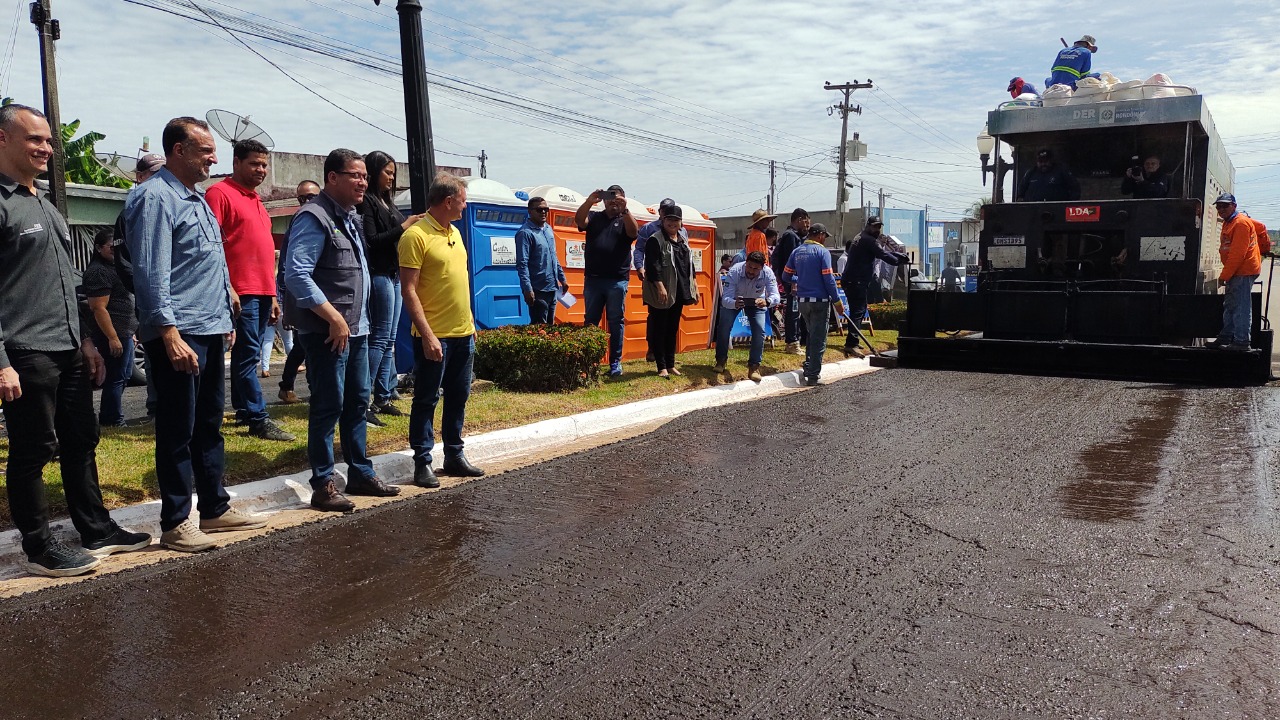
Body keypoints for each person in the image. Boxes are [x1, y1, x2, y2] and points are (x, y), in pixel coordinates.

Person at [0, 103, 151, 577]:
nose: (46, 148)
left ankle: (97, 529)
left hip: (68, 348)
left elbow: (65, 282)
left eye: (48, 140)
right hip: (26, 351)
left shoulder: (45, 203)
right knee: (34, 449)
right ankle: (39, 548)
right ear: (3, 139)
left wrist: (85, 341)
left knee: (82, 439)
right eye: (35, 139)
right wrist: (1, 362)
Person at [125, 116, 266, 553]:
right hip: (180, 331)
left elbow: (206, 259)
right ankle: (175, 522)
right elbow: (150, 272)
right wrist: (168, 333)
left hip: (210, 326)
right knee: (177, 430)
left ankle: (215, 508)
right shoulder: (154, 198)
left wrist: (227, 301)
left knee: (208, 424)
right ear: (179, 151)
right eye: (206, 151)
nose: (213, 159)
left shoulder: (197, 198)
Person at [285, 149, 400, 512]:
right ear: (332, 178)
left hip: (357, 329)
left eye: (365, 176)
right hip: (328, 333)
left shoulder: (350, 217)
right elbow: (296, 275)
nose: (363, 182)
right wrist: (333, 317)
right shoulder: (314, 217)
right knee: (328, 405)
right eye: (355, 175)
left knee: (357, 402)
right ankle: (323, 485)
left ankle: (361, 474)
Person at [399, 172, 485, 489]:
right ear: (448, 201)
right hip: (434, 336)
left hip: (463, 333)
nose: (465, 206)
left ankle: (454, 455)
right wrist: (428, 335)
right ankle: (423, 462)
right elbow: (409, 290)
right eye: (462, 201)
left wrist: (470, 322)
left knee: (458, 397)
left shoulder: (455, 233)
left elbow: (458, 281)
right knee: (426, 399)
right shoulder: (415, 236)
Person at [204, 139, 293, 442]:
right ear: (236, 163)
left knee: (248, 353)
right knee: (247, 355)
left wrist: (273, 296)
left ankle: (244, 409)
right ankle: (258, 417)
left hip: (263, 290)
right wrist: (227, 286)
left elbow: (262, 252)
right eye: (254, 163)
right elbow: (211, 245)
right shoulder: (219, 193)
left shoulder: (256, 200)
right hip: (239, 291)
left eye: (264, 164)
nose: (261, 170)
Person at [359, 151, 424, 426]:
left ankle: (383, 396)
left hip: (394, 274)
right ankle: (363, 401)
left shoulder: (387, 202)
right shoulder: (367, 202)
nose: (391, 178)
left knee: (389, 339)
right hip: (379, 275)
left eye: (393, 173)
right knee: (379, 337)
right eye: (387, 172)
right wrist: (405, 225)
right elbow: (372, 240)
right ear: (374, 172)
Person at [113, 152, 165, 419]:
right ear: (140, 177)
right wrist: (148, 291)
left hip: (179, 300)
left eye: (163, 173)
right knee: (156, 355)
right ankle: (156, 408)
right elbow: (125, 265)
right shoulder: (130, 212)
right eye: (154, 174)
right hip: (149, 301)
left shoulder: (171, 204)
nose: (159, 179)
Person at [575, 184, 638, 376]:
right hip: (593, 280)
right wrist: (589, 202)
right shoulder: (595, 217)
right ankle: (589, 362)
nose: (613, 202)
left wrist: (625, 210)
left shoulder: (625, 219)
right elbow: (580, 221)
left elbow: (634, 233)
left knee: (616, 321)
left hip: (617, 281)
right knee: (591, 321)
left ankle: (615, 363)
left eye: (617, 198)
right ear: (604, 200)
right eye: (610, 198)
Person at [83, 228, 138, 427]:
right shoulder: (98, 271)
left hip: (124, 332)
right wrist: (113, 337)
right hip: (111, 333)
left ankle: (110, 416)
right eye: (111, 248)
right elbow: (98, 308)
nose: (116, 251)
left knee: (124, 375)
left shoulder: (117, 267)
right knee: (115, 377)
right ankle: (113, 419)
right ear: (98, 248)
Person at [781, 223, 846, 386]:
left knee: (811, 334)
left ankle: (808, 366)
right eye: (825, 237)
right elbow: (829, 279)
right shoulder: (822, 252)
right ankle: (813, 375)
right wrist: (837, 301)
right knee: (819, 339)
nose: (825, 240)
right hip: (820, 301)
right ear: (820, 235)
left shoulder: (797, 252)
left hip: (803, 302)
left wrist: (800, 280)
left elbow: (785, 276)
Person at [642, 204, 698, 378]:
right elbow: (652, 266)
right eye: (669, 220)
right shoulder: (655, 239)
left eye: (676, 220)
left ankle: (671, 364)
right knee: (660, 328)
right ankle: (661, 367)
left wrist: (694, 285)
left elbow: (689, 265)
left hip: (679, 289)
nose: (673, 223)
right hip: (662, 290)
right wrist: (660, 286)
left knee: (672, 328)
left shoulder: (683, 240)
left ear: (681, 222)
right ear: (663, 220)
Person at [277, 180, 319, 404]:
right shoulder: (299, 222)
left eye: (311, 197)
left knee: (305, 345)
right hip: (301, 294)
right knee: (305, 343)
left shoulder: (324, 217)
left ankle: (291, 386)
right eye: (302, 198)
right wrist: (284, 302)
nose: (306, 202)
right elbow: (286, 265)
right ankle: (302, 388)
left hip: (321, 293)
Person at [841, 217, 908, 356]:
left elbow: (881, 252)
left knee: (858, 311)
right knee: (858, 311)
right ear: (868, 226)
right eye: (875, 226)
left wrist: (897, 256)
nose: (877, 230)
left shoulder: (861, 236)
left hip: (852, 280)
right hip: (856, 281)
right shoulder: (869, 240)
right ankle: (851, 344)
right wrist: (899, 261)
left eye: (879, 227)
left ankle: (853, 340)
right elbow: (883, 254)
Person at [714, 251, 779, 381]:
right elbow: (725, 299)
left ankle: (754, 366)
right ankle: (720, 361)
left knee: (759, 330)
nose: (751, 271)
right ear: (745, 263)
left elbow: (775, 295)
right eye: (749, 266)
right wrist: (734, 303)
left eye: (756, 269)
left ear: (762, 268)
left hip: (757, 301)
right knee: (724, 328)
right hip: (735, 300)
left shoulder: (768, 273)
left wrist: (767, 302)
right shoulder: (735, 270)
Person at [633, 197, 684, 362]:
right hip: (656, 278)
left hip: (676, 280)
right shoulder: (649, 229)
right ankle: (652, 349)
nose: (668, 216)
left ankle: (668, 355)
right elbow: (639, 249)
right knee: (655, 316)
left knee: (672, 318)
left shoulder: (682, 231)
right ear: (660, 212)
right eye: (664, 211)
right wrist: (639, 266)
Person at [1209, 193, 1260, 351]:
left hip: (1243, 271)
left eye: (1225, 205)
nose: (1221, 209)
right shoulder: (1229, 222)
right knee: (1230, 305)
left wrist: (1225, 275)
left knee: (1240, 307)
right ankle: (1225, 337)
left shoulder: (1240, 223)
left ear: (1234, 206)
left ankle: (1242, 342)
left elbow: (1237, 254)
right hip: (1237, 271)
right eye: (1219, 206)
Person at [515, 195, 568, 325]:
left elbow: (554, 256)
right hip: (537, 289)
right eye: (539, 210)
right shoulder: (525, 233)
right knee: (540, 329)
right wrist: (528, 289)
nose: (543, 212)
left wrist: (563, 279)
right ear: (530, 211)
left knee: (550, 327)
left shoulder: (548, 229)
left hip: (552, 288)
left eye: (546, 209)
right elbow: (522, 264)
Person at [770, 208, 811, 354]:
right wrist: (794, 281)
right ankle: (792, 343)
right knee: (793, 311)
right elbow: (792, 261)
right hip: (793, 281)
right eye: (806, 223)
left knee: (798, 311)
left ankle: (800, 339)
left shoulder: (795, 236)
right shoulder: (790, 236)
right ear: (799, 220)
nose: (807, 227)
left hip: (795, 279)